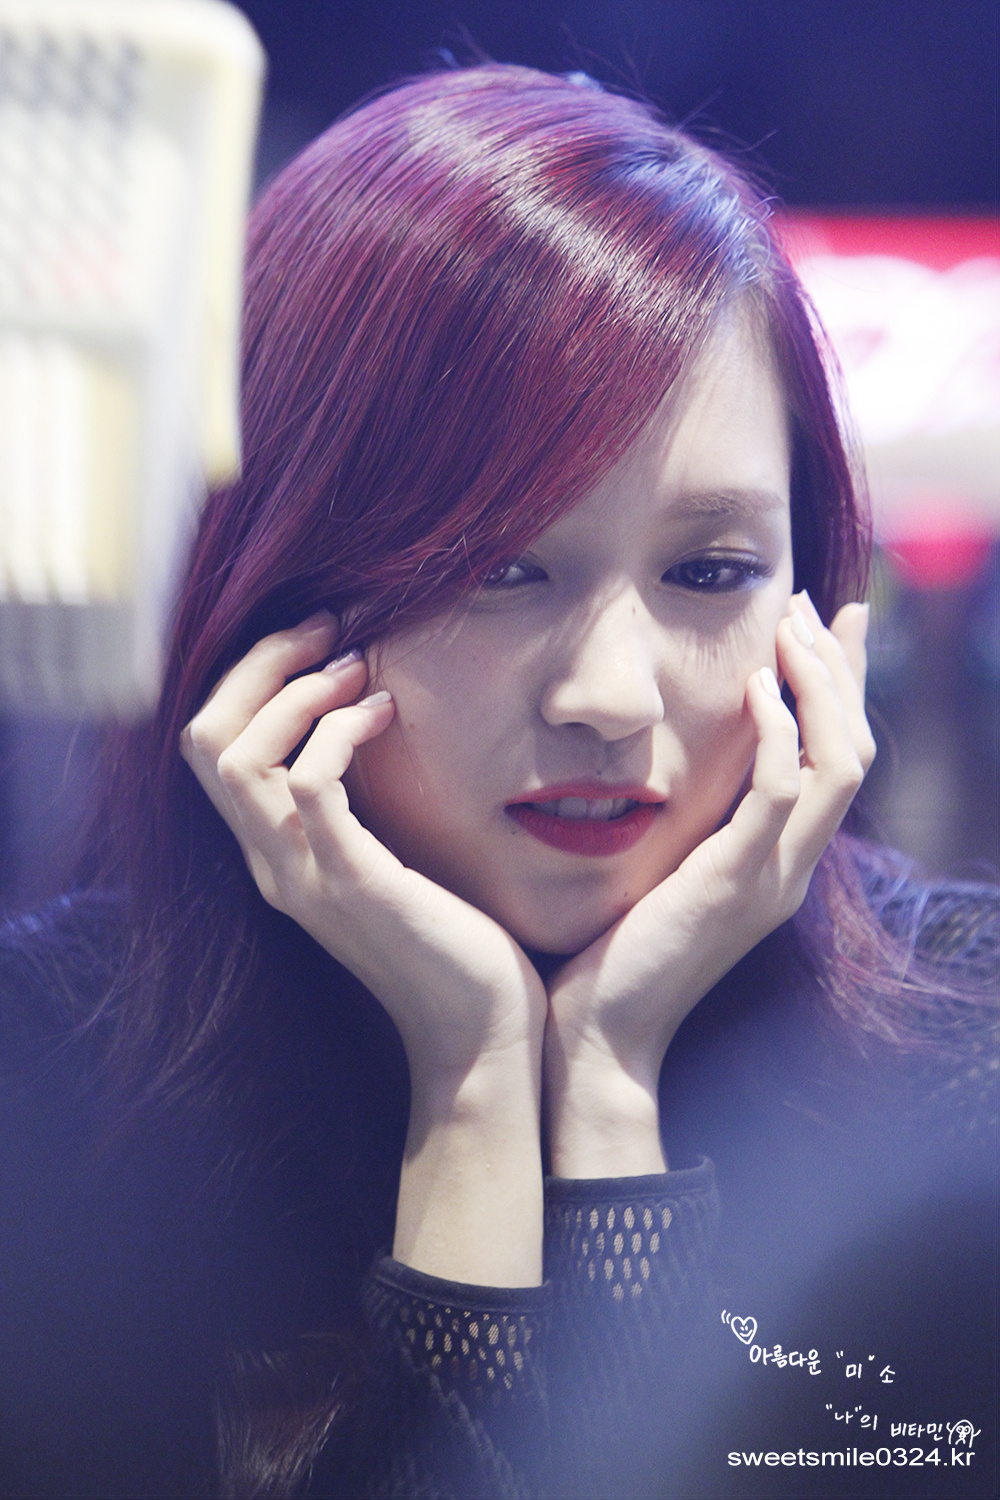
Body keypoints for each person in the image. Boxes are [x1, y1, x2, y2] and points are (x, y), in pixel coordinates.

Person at [0, 64, 995, 1500]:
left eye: (712, 571)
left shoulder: (966, 1050)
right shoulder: (48, 1075)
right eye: (498, 570)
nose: (610, 697)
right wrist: (473, 1092)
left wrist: (607, 1094)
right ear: (278, 590)